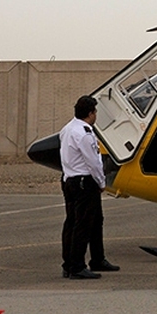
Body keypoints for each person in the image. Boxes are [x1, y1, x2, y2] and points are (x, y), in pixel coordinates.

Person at [60, 95, 119, 279]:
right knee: (83, 224)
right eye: (95, 112)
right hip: (84, 182)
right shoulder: (84, 133)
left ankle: (92, 259)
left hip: (69, 179)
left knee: (86, 221)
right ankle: (76, 266)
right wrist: (102, 182)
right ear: (91, 113)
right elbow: (93, 162)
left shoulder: (67, 129)